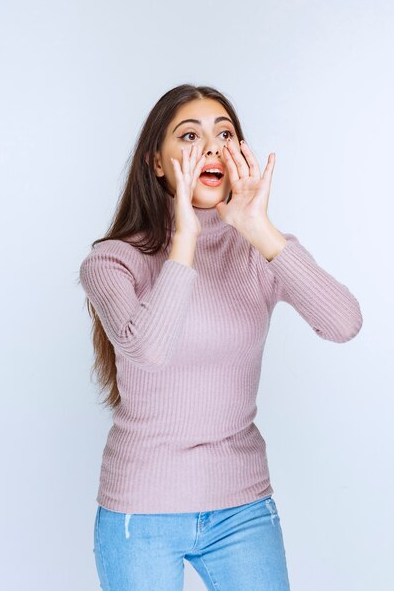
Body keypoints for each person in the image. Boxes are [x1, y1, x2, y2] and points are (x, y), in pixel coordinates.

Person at [78, 83, 363, 590]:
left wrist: (257, 226)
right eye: (190, 135)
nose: (212, 147)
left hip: (243, 508)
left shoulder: (256, 249)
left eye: (224, 134)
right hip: (139, 512)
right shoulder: (112, 260)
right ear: (157, 163)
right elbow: (148, 350)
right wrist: (184, 237)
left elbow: (344, 323)